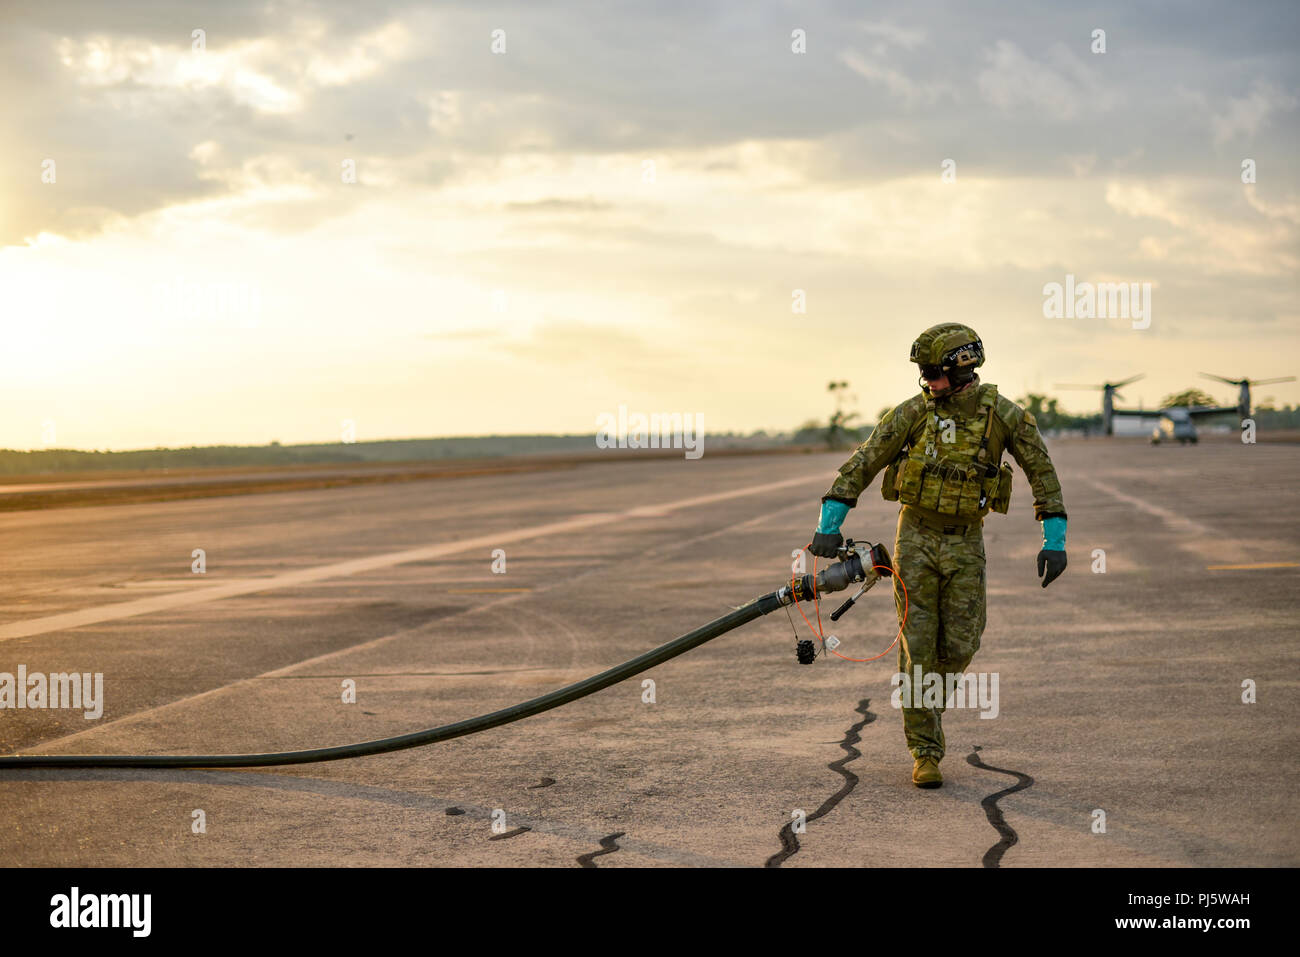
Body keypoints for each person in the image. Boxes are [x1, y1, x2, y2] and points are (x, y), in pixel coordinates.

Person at [809, 323, 1067, 788]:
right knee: (917, 645)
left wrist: (1055, 539)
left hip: (966, 539)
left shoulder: (1004, 416)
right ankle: (924, 751)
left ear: (963, 369)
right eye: (923, 372)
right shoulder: (911, 414)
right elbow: (863, 462)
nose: (927, 381)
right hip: (916, 538)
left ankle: (926, 705)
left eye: (934, 371)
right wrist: (829, 525)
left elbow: (1042, 473)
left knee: (964, 641)